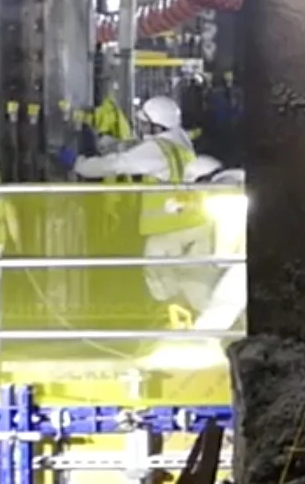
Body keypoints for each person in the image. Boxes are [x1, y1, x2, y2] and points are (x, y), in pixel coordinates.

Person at [73, 95, 223, 323]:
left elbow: (118, 164)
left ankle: (170, 322)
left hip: (168, 230)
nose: (141, 128)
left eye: (144, 124)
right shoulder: (179, 140)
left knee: (160, 279)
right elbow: (138, 147)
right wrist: (109, 142)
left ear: (155, 126)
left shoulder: (156, 150)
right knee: (195, 282)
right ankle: (204, 327)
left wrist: (80, 165)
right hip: (195, 224)